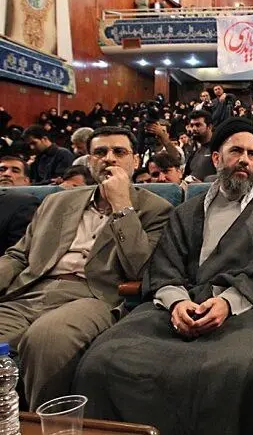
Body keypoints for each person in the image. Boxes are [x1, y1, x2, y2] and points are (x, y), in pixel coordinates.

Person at [74, 118, 253, 435]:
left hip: (243, 310)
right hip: (174, 307)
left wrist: (226, 303)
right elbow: (164, 265)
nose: (244, 160)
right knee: (102, 361)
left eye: (252, 154)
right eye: (236, 151)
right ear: (216, 158)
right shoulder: (186, 212)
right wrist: (176, 303)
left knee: (233, 370)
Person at [0, 126, 172, 408]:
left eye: (119, 152)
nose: (109, 158)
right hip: (30, 291)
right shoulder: (56, 201)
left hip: (93, 295)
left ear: (135, 160)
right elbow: (19, 255)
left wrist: (121, 205)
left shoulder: (156, 209)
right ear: (89, 160)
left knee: (48, 338)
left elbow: (140, 269)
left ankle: (50, 423)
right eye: (100, 152)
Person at [184, 110, 216, 182]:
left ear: (209, 127)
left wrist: (202, 186)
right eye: (192, 125)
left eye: (198, 125)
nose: (194, 129)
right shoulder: (194, 153)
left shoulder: (219, 149)